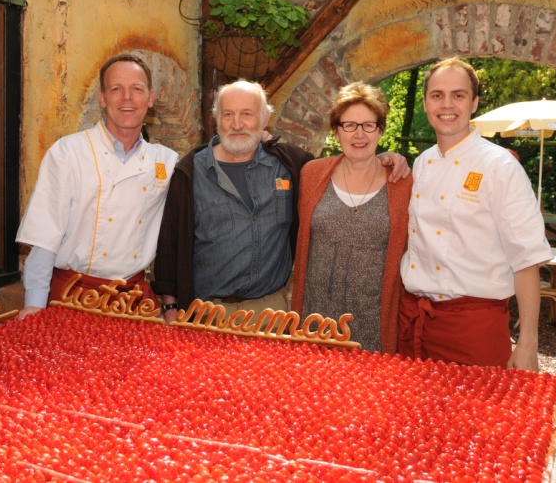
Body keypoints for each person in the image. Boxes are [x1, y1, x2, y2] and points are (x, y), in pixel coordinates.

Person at [153, 79, 410, 324]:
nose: (237, 124)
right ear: (217, 119)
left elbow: (347, 163)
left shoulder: (290, 165)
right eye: (228, 114)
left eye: (247, 114)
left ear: (265, 119)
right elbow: (169, 244)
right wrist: (170, 307)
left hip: (271, 314)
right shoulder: (189, 174)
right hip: (206, 313)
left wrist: (383, 159)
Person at [398, 57, 552, 371]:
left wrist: (528, 345)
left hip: (473, 328)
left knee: (478, 420)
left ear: (475, 102)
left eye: (459, 95)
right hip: (415, 322)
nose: (447, 104)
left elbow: (526, 260)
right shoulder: (422, 163)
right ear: (426, 103)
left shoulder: (500, 166)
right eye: (437, 95)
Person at [16, 53, 178, 317]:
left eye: (137, 89)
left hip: (133, 300)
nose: (127, 97)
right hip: (72, 297)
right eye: (117, 89)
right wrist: (34, 304)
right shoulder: (68, 153)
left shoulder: (166, 161)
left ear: (150, 98)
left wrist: (259, 141)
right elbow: (45, 236)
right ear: (102, 98)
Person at [290, 82, 412, 353]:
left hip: (373, 322)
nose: (359, 134)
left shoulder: (403, 183)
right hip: (315, 319)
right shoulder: (311, 174)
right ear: (335, 131)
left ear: (380, 130)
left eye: (368, 125)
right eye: (349, 125)